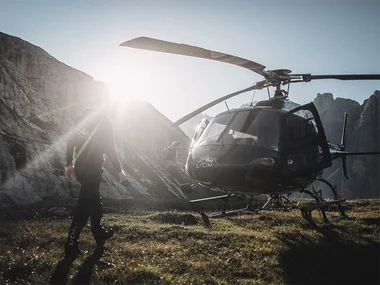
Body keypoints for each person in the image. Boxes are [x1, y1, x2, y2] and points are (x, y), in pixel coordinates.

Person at [64, 105, 126, 259]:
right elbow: (110, 148)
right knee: (84, 206)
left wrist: (69, 164)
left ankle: (99, 233)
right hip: (93, 168)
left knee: (94, 201)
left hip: (80, 168)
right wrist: (119, 169)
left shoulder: (80, 119)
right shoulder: (105, 122)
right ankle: (70, 243)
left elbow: (71, 143)